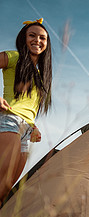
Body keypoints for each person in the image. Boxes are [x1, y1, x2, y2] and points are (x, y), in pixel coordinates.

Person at [0, 18, 52, 203]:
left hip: (26, 130)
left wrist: (33, 126)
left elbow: (28, 105)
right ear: (24, 39)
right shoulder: (13, 57)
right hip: (9, 121)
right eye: (32, 35)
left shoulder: (39, 75)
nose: (37, 40)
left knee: (6, 191)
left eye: (42, 38)